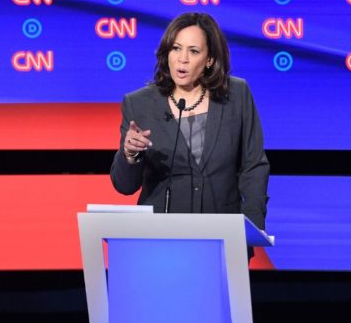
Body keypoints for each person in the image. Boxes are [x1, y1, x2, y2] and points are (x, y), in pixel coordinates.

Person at [111, 12, 269, 233]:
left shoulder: (236, 95)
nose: (182, 59)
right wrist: (130, 154)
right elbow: (125, 186)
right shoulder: (139, 104)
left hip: (223, 234)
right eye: (176, 48)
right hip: (160, 237)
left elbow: (253, 167)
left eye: (193, 51)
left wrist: (251, 229)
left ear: (210, 59)